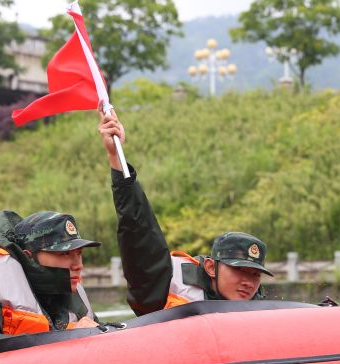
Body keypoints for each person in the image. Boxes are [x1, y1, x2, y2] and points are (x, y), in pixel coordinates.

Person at [99, 111, 274, 317]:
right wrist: (116, 159)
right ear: (210, 267)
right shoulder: (168, 283)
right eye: (239, 271)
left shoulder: (261, 309)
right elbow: (138, 232)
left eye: (255, 275)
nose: (248, 282)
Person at [0, 209, 101, 350]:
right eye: (64, 253)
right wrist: (69, 337)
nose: (78, 265)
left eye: (79, 254)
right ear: (29, 257)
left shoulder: (68, 288)